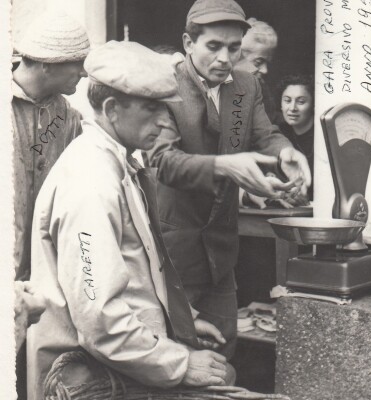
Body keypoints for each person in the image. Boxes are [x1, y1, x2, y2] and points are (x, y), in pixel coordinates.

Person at [27, 41, 235, 400]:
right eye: (152, 109)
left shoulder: (117, 163)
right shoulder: (91, 183)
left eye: (166, 109)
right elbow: (100, 322)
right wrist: (182, 363)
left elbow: (136, 273)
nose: (164, 122)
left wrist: (181, 318)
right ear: (111, 109)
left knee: (226, 373)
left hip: (123, 361)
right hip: (86, 378)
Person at [148, 0, 311, 359]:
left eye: (234, 48)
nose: (225, 58)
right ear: (188, 43)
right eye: (213, 46)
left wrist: (285, 152)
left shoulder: (245, 85)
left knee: (223, 354)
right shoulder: (164, 85)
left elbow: (263, 133)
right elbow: (163, 162)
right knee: (176, 361)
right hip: (173, 256)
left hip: (222, 254)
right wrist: (225, 166)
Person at [13, 10, 90, 281]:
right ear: (48, 64)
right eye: (78, 62)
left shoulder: (67, 115)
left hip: (44, 274)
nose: (84, 71)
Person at [234, 17, 279, 122]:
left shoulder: (262, 93)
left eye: (267, 63)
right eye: (259, 62)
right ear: (237, 57)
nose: (265, 70)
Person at [278, 74, 314, 200]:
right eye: (287, 101)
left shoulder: (321, 134)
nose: (292, 108)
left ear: (313, 105)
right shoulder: (279, 133)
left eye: (301, 102)